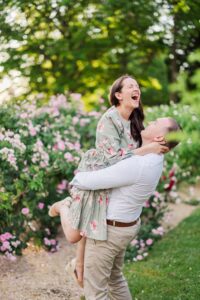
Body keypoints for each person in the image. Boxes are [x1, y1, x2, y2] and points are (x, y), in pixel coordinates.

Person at [49, 75, 168, 286]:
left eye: (137, 87)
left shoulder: (135, 120)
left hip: (114, 181)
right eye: (130, 86)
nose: (136, 89)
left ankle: (80, 269)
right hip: (98, 174)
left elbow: (133, 160)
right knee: (75, 235)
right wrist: (147, 149)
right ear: (118, 95)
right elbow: (114, 159)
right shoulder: (109, 119)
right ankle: (63, 206)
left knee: (91, 228)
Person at [70, 117, 181, 299]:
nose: (151, 121)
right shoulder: (153, 158)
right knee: (115, 278)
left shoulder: (139, 164)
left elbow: (86, 181)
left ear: (160, 137)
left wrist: (82, 172)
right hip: (124, 227)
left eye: (155, 123)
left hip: (108, 232)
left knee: (95, 291)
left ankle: (61, 208)